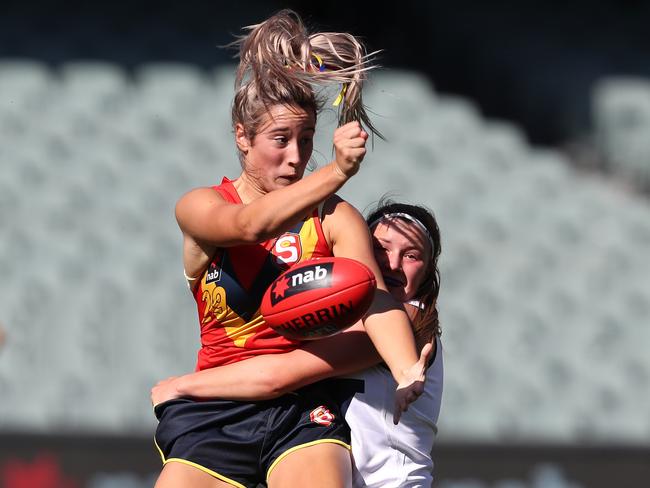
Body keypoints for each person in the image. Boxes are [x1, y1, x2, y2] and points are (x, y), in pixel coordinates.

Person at [152, 10, 431, 488]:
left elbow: (375, 299)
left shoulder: (333, 217)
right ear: (242, 137)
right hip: (215, 414)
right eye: (280, 140)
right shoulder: (201, 207)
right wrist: (337, 171)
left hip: (305, 410)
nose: (297, 157)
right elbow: (247, 224)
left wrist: (407, 369)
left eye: (306, 140)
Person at [152, 200, 443, 487]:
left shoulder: (401, 321)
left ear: (428, 274)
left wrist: (182, 386)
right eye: (381, 249)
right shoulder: (347, 318)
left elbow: (278, 376)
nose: (392, 263)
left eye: (411, 255)